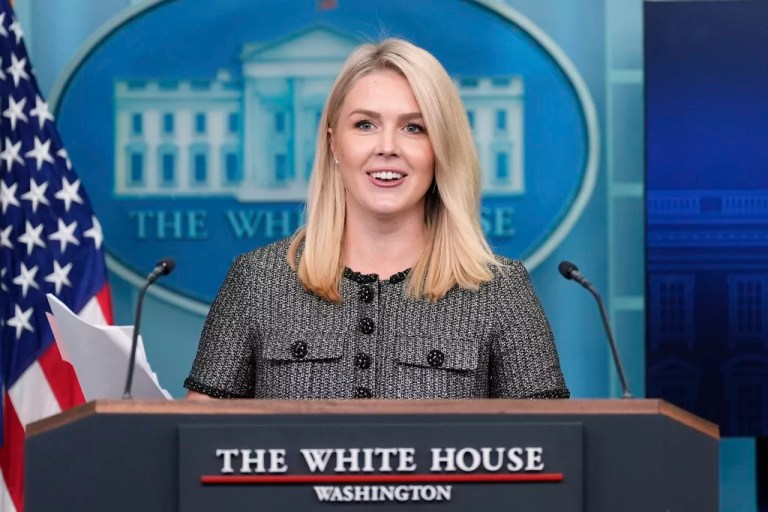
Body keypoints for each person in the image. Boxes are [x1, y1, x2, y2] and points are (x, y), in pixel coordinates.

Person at [184, 38, 569, 400]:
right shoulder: (255, 281)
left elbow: (550, 452)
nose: (387, 148)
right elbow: (199, 447)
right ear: (334, 142)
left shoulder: (502, 292)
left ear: (441, 149)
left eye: (413, 128)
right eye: (365, 125)